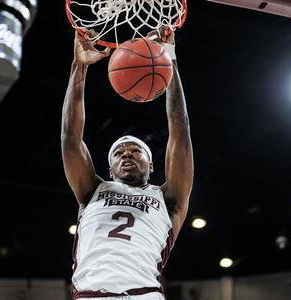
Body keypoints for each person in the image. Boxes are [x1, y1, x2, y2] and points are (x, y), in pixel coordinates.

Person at [61, 27, 193, 300]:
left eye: (136, 151)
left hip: (143, 295)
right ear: (109, 170)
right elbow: (71, 139)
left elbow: (179, 130)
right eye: (119, 153)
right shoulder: (92, 191)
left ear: (152, 165)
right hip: (91, 295)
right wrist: (79, 67)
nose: (127, 154)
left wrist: (170, 58)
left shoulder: (169, 198)